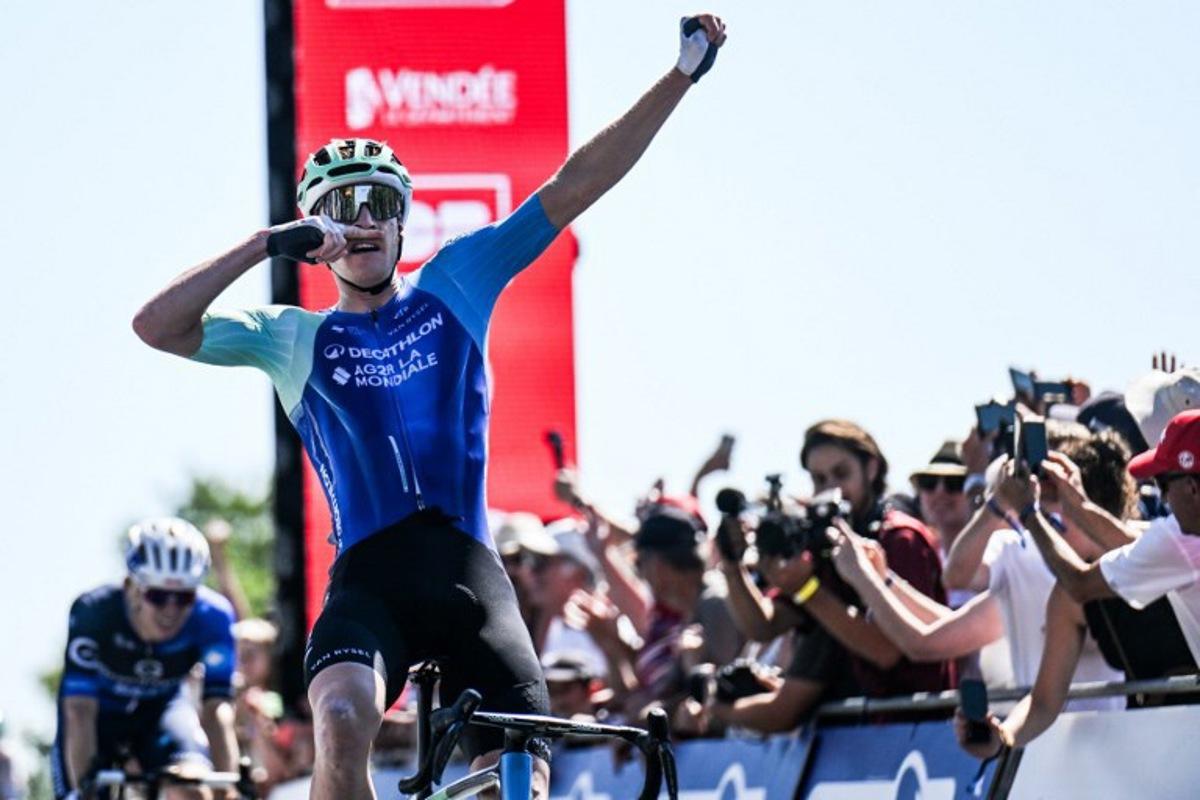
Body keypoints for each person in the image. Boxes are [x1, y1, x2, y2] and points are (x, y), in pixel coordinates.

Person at [132, 16, 727, 800]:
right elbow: (156, 326)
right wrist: (266, 242)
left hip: (469, 579)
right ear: (317, 228)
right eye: (341, 206)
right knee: (340, 721)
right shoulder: (293, 337)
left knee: (522, 778)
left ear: (401, 217)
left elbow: (576, 185)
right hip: (368, 586)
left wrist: (680, 75)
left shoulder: (456, 281)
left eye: (378, 202)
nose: (363, 218)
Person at [957, 410, 1200, 759]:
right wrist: (1001, 738)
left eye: (1163, 485)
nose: (1162, 500)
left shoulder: (1181, 542)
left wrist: (1029, 513)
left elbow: (1079, 582)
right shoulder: (1178, 540)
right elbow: (1043, 702)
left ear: (1192, 488)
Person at [832, 434, 1128, 710]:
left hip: (1107, 739)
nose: (1035, 506)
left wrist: (862, 578)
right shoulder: (1024, 555)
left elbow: (923, 644)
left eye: (1048, 497)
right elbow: (951, 589)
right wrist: (884, 579)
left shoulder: (1123, 563)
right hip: (1041, 742)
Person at [715, 419, 953, 733]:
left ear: (871, 469)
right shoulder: (821, 543)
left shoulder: (900, 539)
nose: (831, 489)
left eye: (841, 474)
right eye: (819, 479)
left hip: (914, 732)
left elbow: (888, 651)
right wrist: (733, 567)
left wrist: (808, 591)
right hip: (857, 735)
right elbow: (764, 625)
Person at [51, 519, 239, 800]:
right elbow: (79, 709)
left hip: (163, 711)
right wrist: (83, 789)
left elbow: (216, 709)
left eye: (184, 597)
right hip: (97, 717)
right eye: (158, 596)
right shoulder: (94, 613)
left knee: (192, 789)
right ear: (131, 587)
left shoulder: (214, 616)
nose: (171, 609)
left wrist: (228, 788)